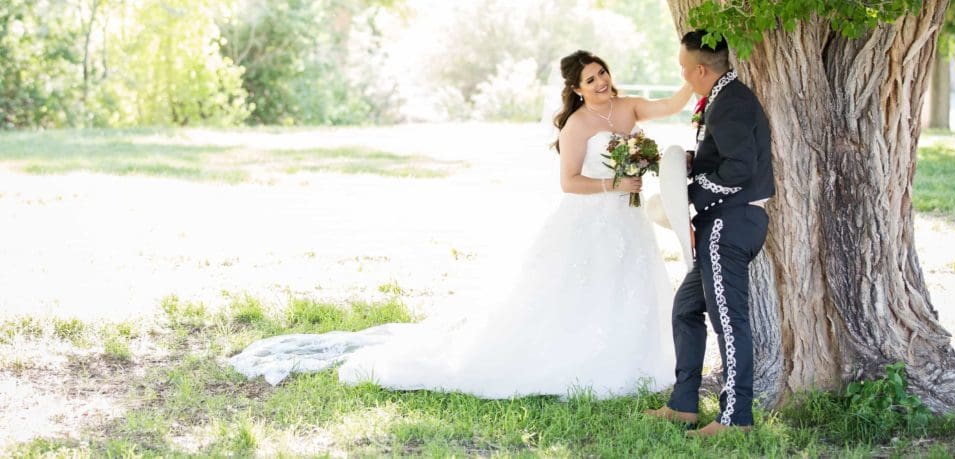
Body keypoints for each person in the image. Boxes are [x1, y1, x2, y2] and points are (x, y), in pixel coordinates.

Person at [230, 50, 694, 399]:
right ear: (575, 89)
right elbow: (569, 183)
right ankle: (583, 361)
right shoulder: (575, 126)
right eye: (591, 79)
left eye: (603, 73)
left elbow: (673, 103)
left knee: (625, 286)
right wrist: (618, 185)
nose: (602, 83)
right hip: (591, 218)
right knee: (578, 291)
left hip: (626, 225)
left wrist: (692, 71)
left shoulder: (629, 106)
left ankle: (632, 360)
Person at [645, 30, 774, 436]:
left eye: (685, 68)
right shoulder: (723, 98)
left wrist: (690, 196)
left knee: (729, 323)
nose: (683, 74)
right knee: (686, 308)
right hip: (723, 222)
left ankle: (737, 418)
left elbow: (740, 168)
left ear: (700, 69)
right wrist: (691, 163)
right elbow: (724, 156)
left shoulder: (731, 103)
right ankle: (684, 405)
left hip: (729, 224)